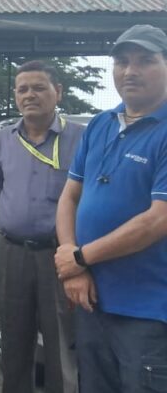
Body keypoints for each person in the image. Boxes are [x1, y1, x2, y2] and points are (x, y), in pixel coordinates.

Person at [55, 24, 167, 392]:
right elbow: (70, 197)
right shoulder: (101, 124)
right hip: (91, 300)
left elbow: (158, 220)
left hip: (148, 311)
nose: (130, 71)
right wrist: (73, 267)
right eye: (121, 62)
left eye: (145, 61)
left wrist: (81, 257)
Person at [0, 61, 81, 393]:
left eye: (39, 88)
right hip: (12, 252)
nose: (30, 95)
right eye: (23, 89)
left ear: (58, 91)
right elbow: (2, 190)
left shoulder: (80, 138)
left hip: (59, 256)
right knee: (13, 344)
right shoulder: (2, 140)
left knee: (60, 347)